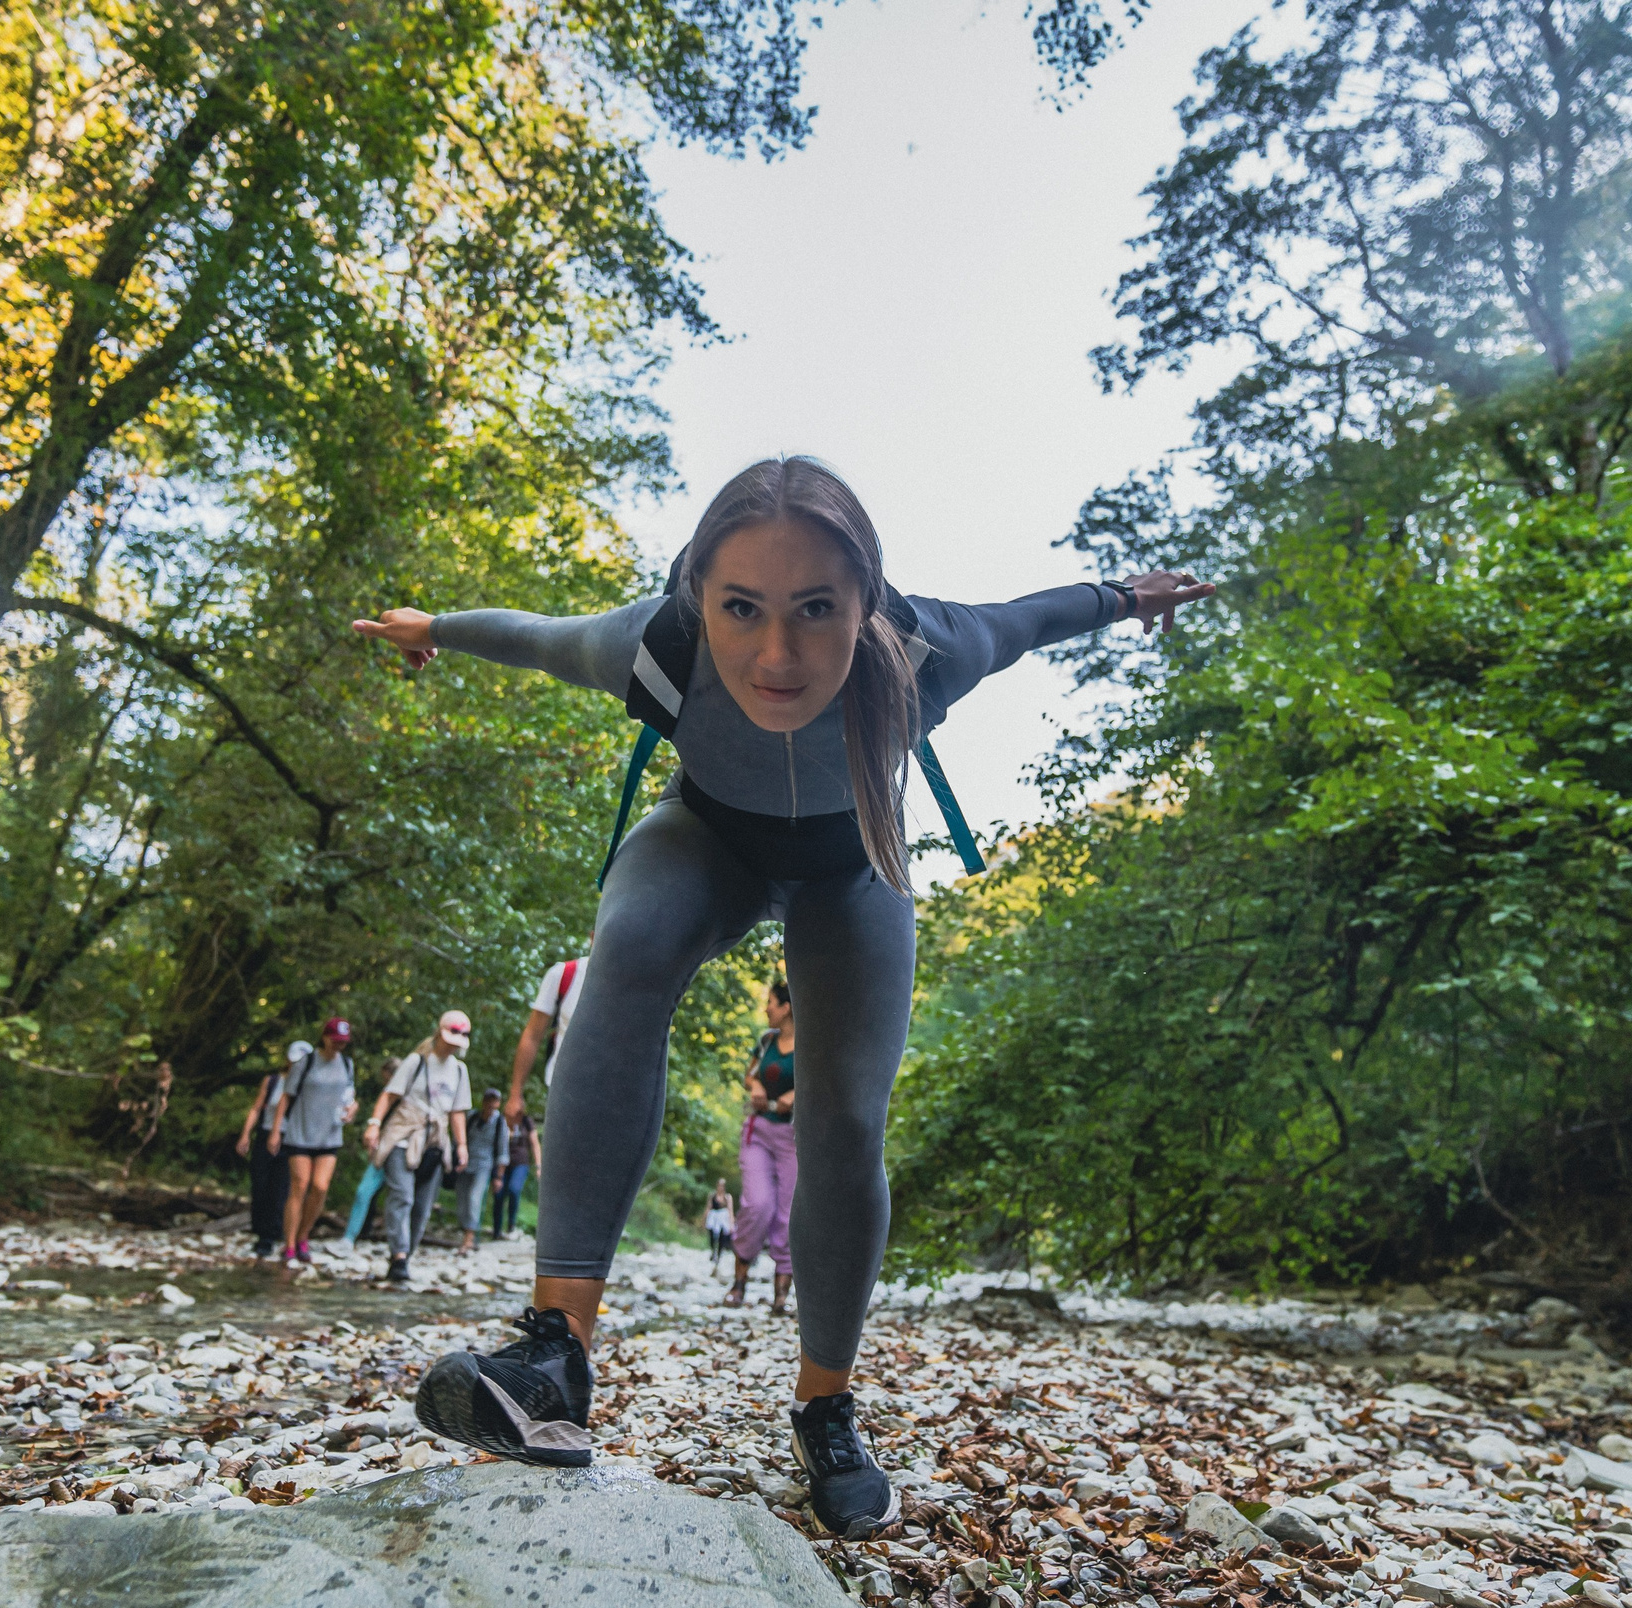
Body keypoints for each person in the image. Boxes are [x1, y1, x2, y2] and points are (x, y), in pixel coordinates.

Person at [355, 454, 1210, 1536]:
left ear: (866, 605)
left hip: (852, 861)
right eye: (741, 609)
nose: (776, 652)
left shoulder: (927, 649)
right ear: (696, 599)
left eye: (817, 610)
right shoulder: (650, 645)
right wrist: (436, 626)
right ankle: (553, 1354)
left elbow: (1032, 614)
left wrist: (1131, 596)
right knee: (623, 950)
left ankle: (826, 1407)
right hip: (706, 838)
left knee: (846, 1113)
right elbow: (535, 632)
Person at [365, 1010, 474, 1282]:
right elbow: (389, 1095)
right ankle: (399, 1254)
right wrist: (374, 1124)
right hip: (404, 1135)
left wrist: (461, 1145)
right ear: (440, 1032)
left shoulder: (460, 1070)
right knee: (402, 1194)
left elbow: (457, 1111)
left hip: (435, 1142)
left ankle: (405, 1255)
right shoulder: (417, 1062)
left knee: (423, 1205)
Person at [726, 980, 796, 1312]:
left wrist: (796, 1096)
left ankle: (781, 1291)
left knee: (788, 1213)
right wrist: (754, 1086)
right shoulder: (766, 1040)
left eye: (770, 1002)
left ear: (786, 1007)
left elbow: (826, 1084)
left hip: (794, 1138)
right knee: (757, 1205)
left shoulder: (812, 1046)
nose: (766, 1008)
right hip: (759, 1131)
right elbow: (749, 1074)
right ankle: (739, 1282)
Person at [269, 1018, 359, 1266]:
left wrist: (352, 1110)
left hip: (329, 1135)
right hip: (300, 1132)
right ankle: (288, 1244)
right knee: (300, 1184)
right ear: (325, 1037)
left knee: (320, 1187)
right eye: (335, 1041)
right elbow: (286, 1098)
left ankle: (303, 1235)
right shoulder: (306, 1063)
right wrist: (276, 1131)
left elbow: (350, 1097)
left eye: (343, 1042)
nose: (338, 1046)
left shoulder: (347, 1065)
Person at [505, 941, 589, 1127]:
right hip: (564, 1090)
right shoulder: (565, 975)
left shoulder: (635, 981)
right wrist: (515, 1094)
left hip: (615, 1095)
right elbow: (532, 1035)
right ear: (592, 937)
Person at [237, 1045, 300, 1261]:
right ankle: (260, 1227)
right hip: (265, 1135)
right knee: (260, 1182)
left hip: (292, 1139)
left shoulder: (306, 1086)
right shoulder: (273, 1081)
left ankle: (270, 1235)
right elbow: (256, 1108)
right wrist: (245, 1134)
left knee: (280, 1186)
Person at [339, 1056, 402, 1250]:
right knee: (364, 1192)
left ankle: (399, 1246)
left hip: (401, 1153)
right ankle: (351, 1236)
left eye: (386, 1077)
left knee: (398, 1198)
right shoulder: (387, 1098)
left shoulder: (409, 1100)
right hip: (382, 1152)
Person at [457, 1088, 508, 1254]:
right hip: (466, 1163)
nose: (490, 1104)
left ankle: (470, 1237)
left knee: (474, 1198)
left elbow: (502, 1151)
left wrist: (498, 1177)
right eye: (488, 1099)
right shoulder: (471, 1117)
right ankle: (466, 1230)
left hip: (484, 1166)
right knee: (462, 1198)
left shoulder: (500, 1123)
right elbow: (459, 1138)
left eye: (494, 1100)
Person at [490, 1108, 538, 1240]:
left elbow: (535, 1144)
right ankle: (497, 1230)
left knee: (514, 1190)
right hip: (501, 1163)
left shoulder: (526, 1122)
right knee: (499, 1194)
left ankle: (511, 1224)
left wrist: (538, 1165)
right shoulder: (501, 1121)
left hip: (520, 1162)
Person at [704, 1178, 735, 1274]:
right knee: (712, 1235)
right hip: (713, 1217)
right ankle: (713, 1251)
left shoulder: (727, 1197)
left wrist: (731, 1223)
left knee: (722, 1237)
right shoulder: (712, 1195)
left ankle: (719, 1255)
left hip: (723, 1217)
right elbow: (708, 1207)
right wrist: (704, 1218)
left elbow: (730, 1210)